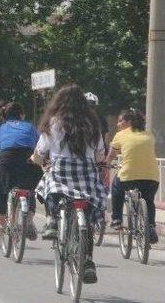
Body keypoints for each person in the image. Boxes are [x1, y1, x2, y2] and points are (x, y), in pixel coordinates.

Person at [33, 84, 107, 284]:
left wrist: (38, 160)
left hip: (61, 173)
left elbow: (40, 154)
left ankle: (52, 221)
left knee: (47, 184)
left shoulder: (53, 122)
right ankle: (88, 261)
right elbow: (100, 154)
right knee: (88, 221)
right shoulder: (93, 123)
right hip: (87, 175)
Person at [0, 102, 41, 239]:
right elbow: (40, 148)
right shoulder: (30, 127)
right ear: (21, 115)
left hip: (7, 162)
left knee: (0, 188)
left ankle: (0, 222)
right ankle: (29, 220)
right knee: (29, 189)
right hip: (28, 163)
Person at [106, 109, 160, 244]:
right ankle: (151, 227)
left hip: (129, 176)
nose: (118, 124)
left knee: (116, 187)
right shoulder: (149, 134)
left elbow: (111, 155)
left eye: (120, 121)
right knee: (148, 200)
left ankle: (117, 219)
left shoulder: (120, 135)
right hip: (152, 176)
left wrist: (106, 165)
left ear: (129, 122)